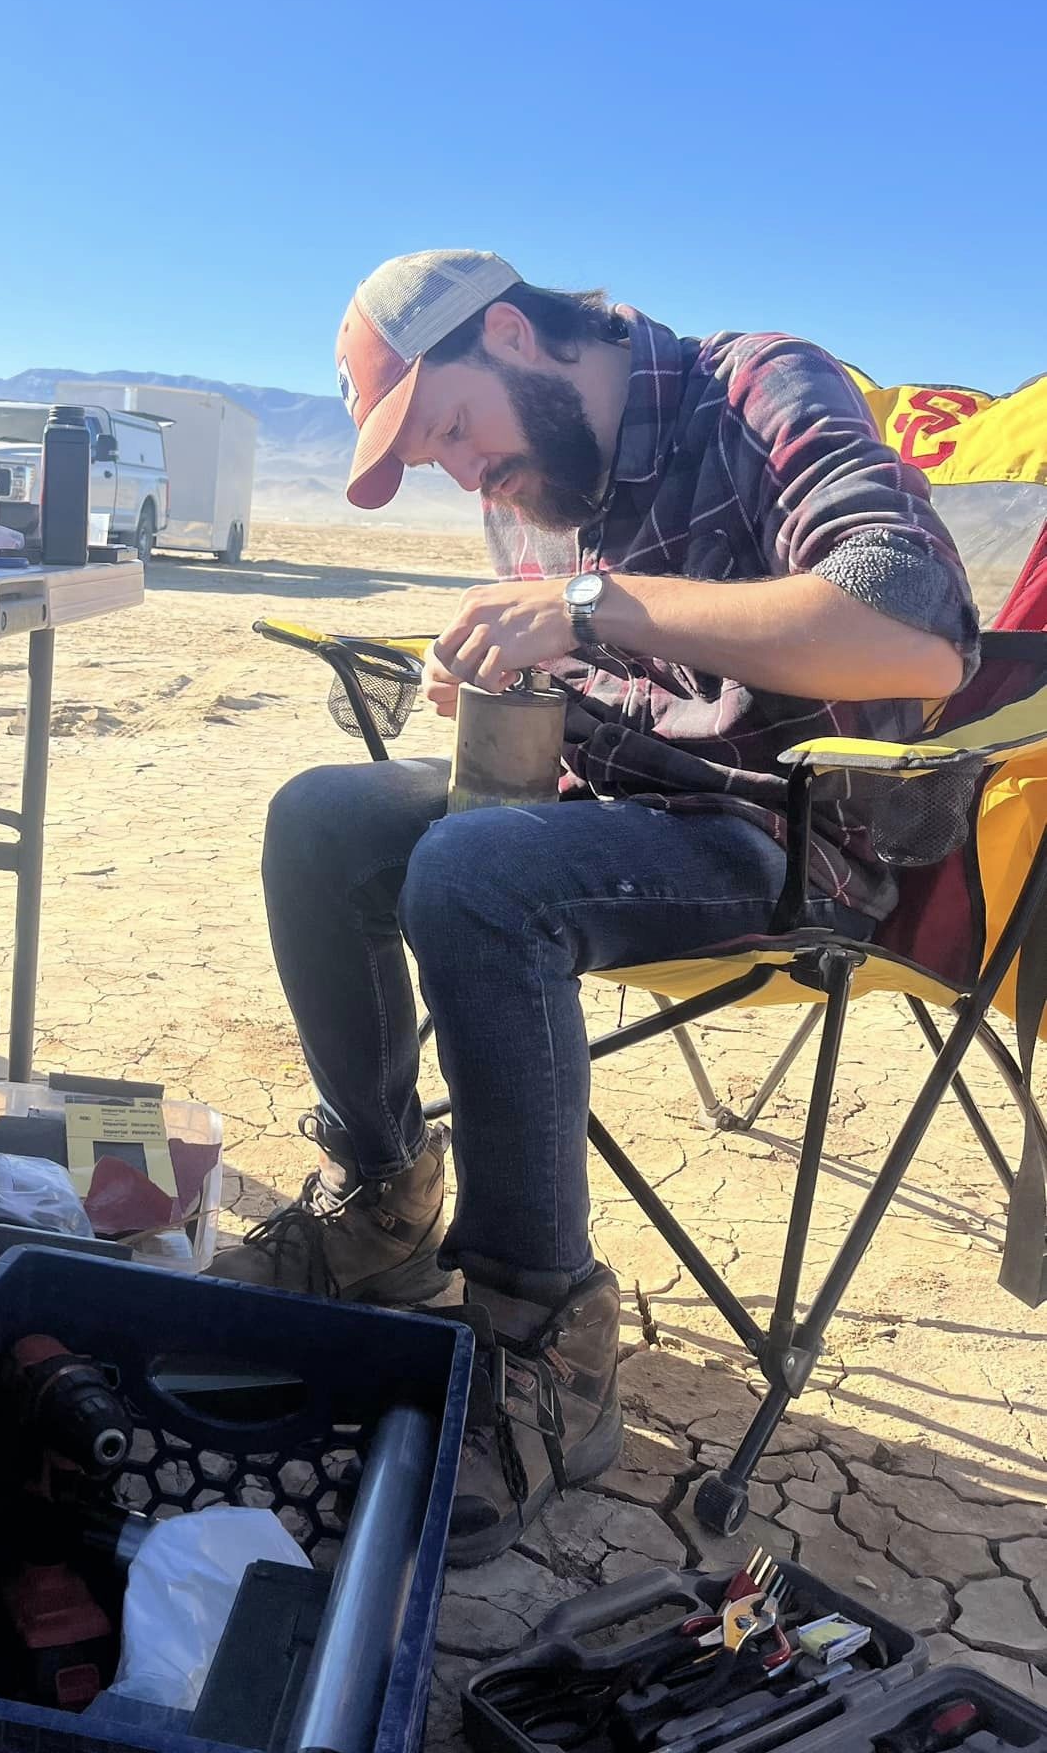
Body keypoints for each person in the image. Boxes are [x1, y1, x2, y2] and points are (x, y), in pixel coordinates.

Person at [210, 249, 979, 1566]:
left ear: (513, 333)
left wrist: (586, 602)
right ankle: (385, 1201)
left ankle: (547, 1350)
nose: (464, 473)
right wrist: (510, 689)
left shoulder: (754, 390)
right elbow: (608, 678)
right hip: (604, 805)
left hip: (785, 831)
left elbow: (912, 625)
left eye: (451, 428)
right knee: (323, 816)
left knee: (474, 876)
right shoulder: (539, 478)